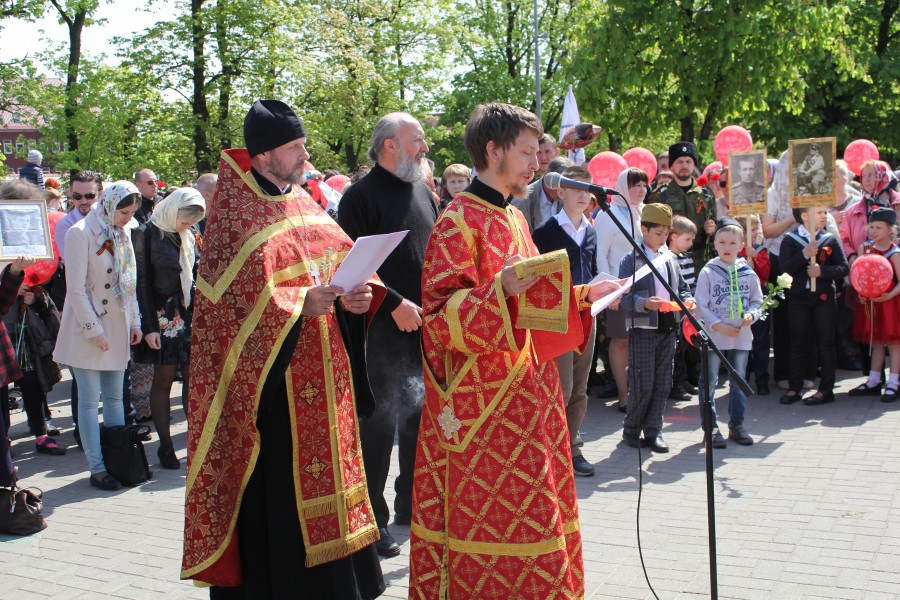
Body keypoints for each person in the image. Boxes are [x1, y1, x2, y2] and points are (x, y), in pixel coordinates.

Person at [409, 102, 621, 599]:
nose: (537, 162)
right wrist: (498, 290)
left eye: (537, 151)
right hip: (485, 416)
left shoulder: (513, 217)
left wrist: (584, 296)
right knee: (503, 524)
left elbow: (533, 304)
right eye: (526, 152)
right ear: (493, 150)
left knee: (539, 514)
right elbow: (438, 321)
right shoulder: (456, 223)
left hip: (531, 401)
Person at [181, 99, 385, 599]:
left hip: (327, 381)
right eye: (295, 147)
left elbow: (342, 267)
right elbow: (225, 316)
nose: (304, 155)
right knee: (282, 507)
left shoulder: (302, 201)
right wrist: (298, 306)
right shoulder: (234, 219)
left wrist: (356, 298)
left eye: (303, 145)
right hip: (273, 399)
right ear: (265, 154)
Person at [337, 111, 438, 558]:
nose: (425, 147)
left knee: (419, 421)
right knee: (379, 428)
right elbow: (351, 264)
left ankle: (410, 507)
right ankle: (373, 521)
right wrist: (395, 302)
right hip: (380, 329)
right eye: (418, 139)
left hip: (425, 325)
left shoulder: (422, 190)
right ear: (390, 144)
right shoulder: (358, 197)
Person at [52, 181, 144, 491]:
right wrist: (95, 331)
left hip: (117, 325)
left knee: (116, 398)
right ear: (109, 205)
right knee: (90, 403)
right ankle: (98, 467)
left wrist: (135, 322)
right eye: (124, 212)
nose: (128, 218)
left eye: (132, 212)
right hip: (86, 328)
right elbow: (75, 290)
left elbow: (128, 282)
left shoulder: (123, 231)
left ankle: (118, 460)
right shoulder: (79, 233)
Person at [533, 164, 599, 477]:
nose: (583, 195)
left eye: (588, 189)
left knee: (581, 386)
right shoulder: (545, 233)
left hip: (588, 314)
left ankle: (573, 445)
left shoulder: (592, 229)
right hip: (559, 319)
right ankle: (554, 447)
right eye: (575, 188)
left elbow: (593, 268)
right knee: (562, 386)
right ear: (561, 192)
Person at [133, 188, 205, 469]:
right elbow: (141, 284)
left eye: (191, 223)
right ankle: (165, 446)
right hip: (163, 318)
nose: (187, 227)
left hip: (189, 313)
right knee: (162, 382)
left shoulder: (190, 233)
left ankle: (194, 442)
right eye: (184, 222)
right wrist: (149, 326)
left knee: (192, 381)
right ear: (173, 212)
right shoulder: (146, 233)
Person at [619, 203, 695, 452]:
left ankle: (654, 430)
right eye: (658, 233)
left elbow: (682, 287)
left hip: (668, 327)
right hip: (643, 329)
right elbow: (623, 298)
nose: (663, 239)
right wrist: (644, 303)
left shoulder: (670, 258)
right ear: (644, 229)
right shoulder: (631, 260)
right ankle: (631, 429)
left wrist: (687, 299)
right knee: (642, 382)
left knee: (663, 382)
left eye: (666, 234)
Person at [694, 219, 763, 447]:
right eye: (722, 241)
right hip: (715, 337)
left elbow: (757, 301)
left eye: (733, 242)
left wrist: (752, 315)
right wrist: (716, 324)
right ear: (714, 243)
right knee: (710, 382)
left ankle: (737, 425)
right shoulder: (708, 272)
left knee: (738, 380)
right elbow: (701, 304)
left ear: (741, 245)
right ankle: (711, 428)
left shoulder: (748, 273)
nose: (727, 246)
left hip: (741, 337)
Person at [778, 207, 849, 406]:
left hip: (824, 299)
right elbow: (784, 269)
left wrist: (822, 272)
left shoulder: (829, 239)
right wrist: (804, 254)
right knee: (798, 342)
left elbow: (843, 267)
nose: (824, 216)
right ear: (804, 216)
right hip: (798, 299)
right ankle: (795, 387)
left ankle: (826, 389)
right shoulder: (790, 240)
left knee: (826, 343)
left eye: (825, 212)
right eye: (819, 212)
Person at [595, 166, 647, 411]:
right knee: (621, 341)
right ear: (623, 187)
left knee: (641, 339)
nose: (641, 189)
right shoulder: (608, 213)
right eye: (635, 184)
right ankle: (624, 396)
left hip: (644, 285)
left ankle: (640, 393)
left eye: (644, 185)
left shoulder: (643, 213)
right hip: (619, 287)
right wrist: (611, 290)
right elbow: (601, 254)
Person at [849, 208, 900, 401]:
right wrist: (861, 293)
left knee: (894, 343)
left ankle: (894, 383)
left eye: (878, 227)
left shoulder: (895, 253)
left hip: (889, 302)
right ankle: (874, 379)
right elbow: (859, 274)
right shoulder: (865, 248)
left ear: (890, 229)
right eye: (871, 226)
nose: (873, 231)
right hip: (870, 303)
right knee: (876, 342)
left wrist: (889, 296)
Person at [648, 141, 716, 266]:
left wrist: (713, 231)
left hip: (700, 262)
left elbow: (715, 232)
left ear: (694, 165)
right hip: (671, 261)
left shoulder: (706, 194)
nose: (684, 165)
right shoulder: (660, 195)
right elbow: (652, 232)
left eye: (688, 161)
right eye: (679, 162)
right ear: (671, 166)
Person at [668, 215, 700, 400]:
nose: (690, 243)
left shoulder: (685, 258)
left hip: (687, 309)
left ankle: (683, 379)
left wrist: (693, 300)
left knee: (685, 347)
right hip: (675, 310)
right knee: (677, 348)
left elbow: (690, 283)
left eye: (692, 240)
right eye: (687, 239)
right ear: (673, 237)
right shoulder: (669, 258)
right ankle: (675, 383)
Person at [512, 155, 574, 232]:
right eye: (564, 185)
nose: (567, 191)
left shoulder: (568, 200)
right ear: (551, 179)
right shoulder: (523, 200)